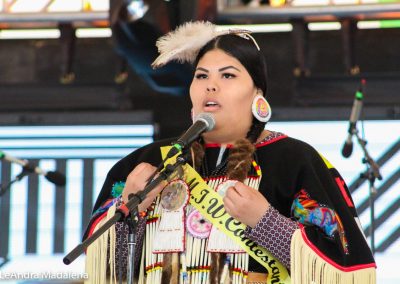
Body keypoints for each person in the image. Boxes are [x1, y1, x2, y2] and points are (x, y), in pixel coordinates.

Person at [83, 21, 376, 284]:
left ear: (257, 94)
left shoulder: (294, 162)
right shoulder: (146, 162)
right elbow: (109, 274)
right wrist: (129, 211)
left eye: (228, 76)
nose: (210, 85)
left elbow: (344, 269)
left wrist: (267, 224)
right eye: (201, 76)